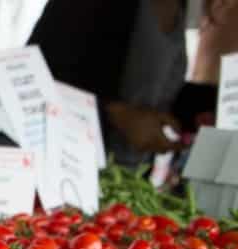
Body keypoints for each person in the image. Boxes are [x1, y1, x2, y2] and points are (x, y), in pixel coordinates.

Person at [29, 0, 220, 167]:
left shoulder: (180, 5)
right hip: (72, 167)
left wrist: (218, 106)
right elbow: (32, 74)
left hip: (131, 175)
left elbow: (157, 90)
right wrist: (118, 113)